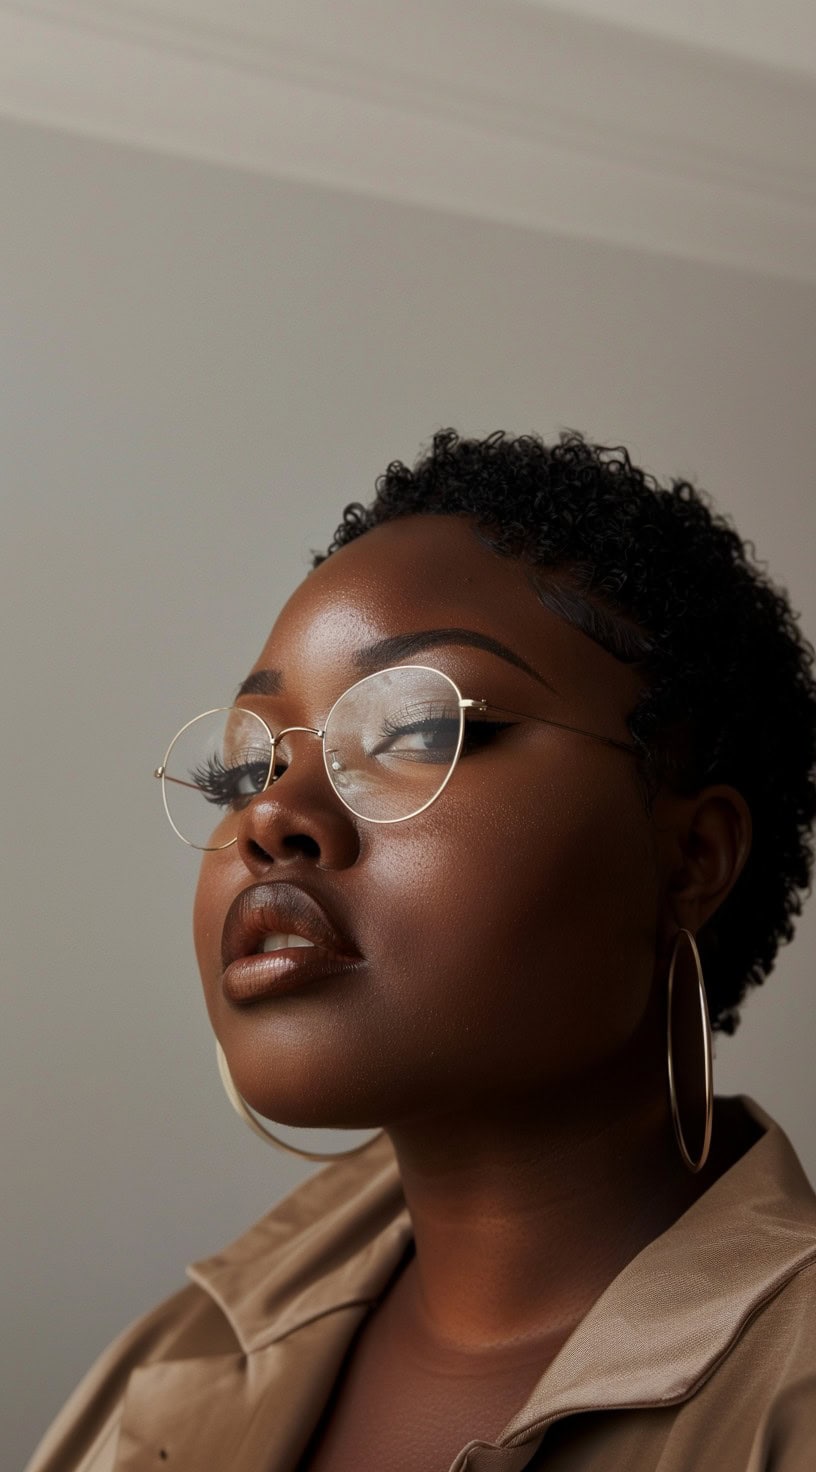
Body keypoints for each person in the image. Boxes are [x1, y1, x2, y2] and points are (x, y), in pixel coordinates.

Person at [27, 429, 816, 1472]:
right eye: (242, 769)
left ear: (692, 858)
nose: (270, 817)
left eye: (411, 733)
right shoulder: (166, 1368)